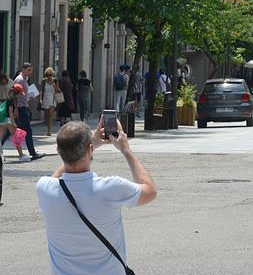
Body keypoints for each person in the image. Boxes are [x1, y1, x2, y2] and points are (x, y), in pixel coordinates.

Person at [36, 118, 157, 275]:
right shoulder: (111, 187)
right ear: (90, 150)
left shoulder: (44, 188)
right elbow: (150, 191)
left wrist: (89, 145)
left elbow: (58, 176)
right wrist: (126, 150)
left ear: (59, 151)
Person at [12, 63, 43, 161]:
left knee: (17, 131)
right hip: (21, 109)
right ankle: (32, 153)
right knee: (26, 131)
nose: (30, 72)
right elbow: (15, 96)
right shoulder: (20, 80)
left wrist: (29, 96)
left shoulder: (24, 80)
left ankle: (30, 152)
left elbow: (22, 94)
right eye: (29, 70)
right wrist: (16, 109)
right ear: (23, 69)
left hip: (24, 107)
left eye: (31, 70)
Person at [0, 73, 28, 162]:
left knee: (0, 139)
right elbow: (10, 111)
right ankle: (21, 155)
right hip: (8, 120)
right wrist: (13, 122)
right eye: (20, 93)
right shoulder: (12, 98)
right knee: (17, 138)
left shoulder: (8, 96)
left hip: (2, 120)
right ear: (17, 92)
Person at [39, 68, 60, 135]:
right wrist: (40, 99)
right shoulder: (44, 81)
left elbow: (57, 90)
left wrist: (54, 86)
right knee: (46, 115)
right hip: (45, 98)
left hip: (53, 99)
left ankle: (49, 131)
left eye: (50, 75)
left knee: (50, 115)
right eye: (48, 75)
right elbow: (41, 90)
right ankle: (48, 128)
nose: (49, 76)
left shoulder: (55, 81)